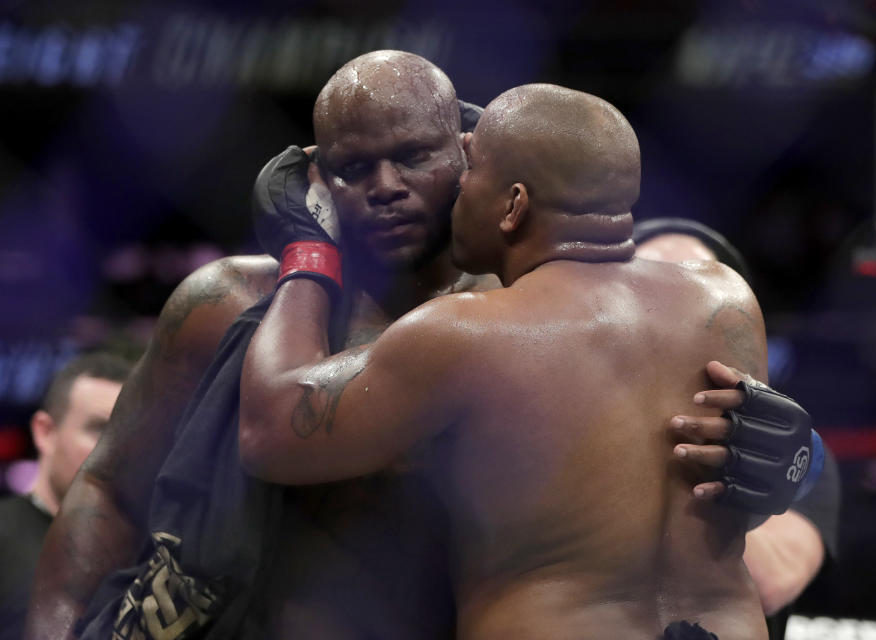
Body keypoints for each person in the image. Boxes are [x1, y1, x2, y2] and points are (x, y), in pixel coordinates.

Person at [26, 51, 814, 640]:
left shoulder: (531, 321)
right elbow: (109, 492)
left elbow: (686, 463)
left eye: (411, 156)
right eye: (351, 167)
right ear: (311, 181)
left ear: (471, 154)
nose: (384, 186)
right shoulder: (227, 303)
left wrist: (791, 462)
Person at [239, 83, 768, 638]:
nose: (457, 192)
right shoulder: (724, 298)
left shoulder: (467, 331)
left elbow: (270, 429)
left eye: (469, 175)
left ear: (513, 205)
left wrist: (307, 251)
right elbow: (732, 491)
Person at [634, 218, 841, 638]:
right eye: (644, 292)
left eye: (690, 296)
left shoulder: (782, 445)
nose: (666, 317)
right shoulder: (566, 430)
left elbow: (772, 582)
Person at [0, 352, 130, 640]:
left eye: (129, 434)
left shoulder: (141, 558)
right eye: (100, 428)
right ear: (45, 432)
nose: (118, 449)